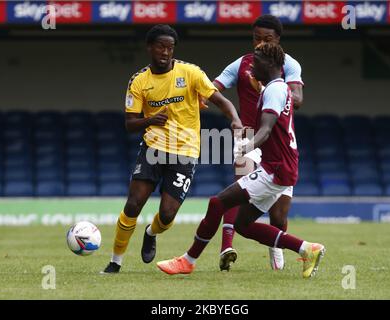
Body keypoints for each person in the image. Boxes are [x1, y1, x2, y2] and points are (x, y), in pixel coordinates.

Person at [156, 42, 325, 279]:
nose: (250, 67)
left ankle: (188, 260)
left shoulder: (275, 90)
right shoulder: (277, 88)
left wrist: (247, 146)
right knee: (243, 225)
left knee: (217, 203)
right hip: (280, 167)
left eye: (255, 62)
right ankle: (307, 249)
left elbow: (266, 130)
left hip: (274, 169)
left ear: (269, 64)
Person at [101, 24, 242, 274]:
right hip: (153, 148)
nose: (165, 52)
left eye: (170, 47)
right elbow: (129, 124)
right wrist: (150, 120)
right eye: (160, 46)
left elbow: (221, 100)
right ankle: (115, 261)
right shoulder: (139, 80)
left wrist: (234, 119)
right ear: (149, 48)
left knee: (166, 215)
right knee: (133, 204)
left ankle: (151, 232)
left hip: (185, 152)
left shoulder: (190, 73)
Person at [211, 14, 304, 271]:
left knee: (278, 216)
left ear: (278, 41)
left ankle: (276, 245)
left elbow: (297, 98)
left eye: (267, 39)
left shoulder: (289, 66)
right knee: (238, 188)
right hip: (250, 137)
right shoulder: (241, 64)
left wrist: (274, 88)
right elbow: (212, 88)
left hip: (277, 143)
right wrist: (232, 115)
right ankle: (226, 247)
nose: (260, 43)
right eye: (256, 38)